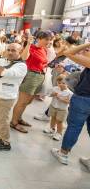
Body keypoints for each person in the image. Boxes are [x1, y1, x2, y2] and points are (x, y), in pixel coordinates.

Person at [51, 42, 90, 170]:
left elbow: (68, 52)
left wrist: (87, 43)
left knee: (74, 127)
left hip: (84, 98)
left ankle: (63, 154)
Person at [0, 43, 27, 150]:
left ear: (20, 52)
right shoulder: (3, 60)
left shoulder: (21, 66)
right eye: (9, 50)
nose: (10, 52)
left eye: (13, 50)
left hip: (5, 97)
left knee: (3, 119)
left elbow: (7, 73)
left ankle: (5, 142)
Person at [10, 31, 53, 133]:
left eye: (50, 39)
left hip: (40, 76)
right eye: (46, 39)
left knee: (28, 101)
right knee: (22, 101)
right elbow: (24, 58)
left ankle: (19, 118)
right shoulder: (32, 47)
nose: (49, 41)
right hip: (31, 76)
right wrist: (28, 44)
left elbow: (45, 62)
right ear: (39, 39)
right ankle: (14, 122)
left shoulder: (44, 49)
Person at [43, 75, 73, 141]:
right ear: (57, 83)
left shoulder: (70, 93)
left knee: (59, 121)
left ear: (68, 83)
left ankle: (59, 133)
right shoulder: (55, 88)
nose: (61, 85)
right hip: (53, 106)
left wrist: (62, 99)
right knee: (53, 118)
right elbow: (49, 95)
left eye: (63, 83)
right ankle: (52, 128)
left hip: (62, 109)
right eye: (59, 83)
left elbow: (69, 102)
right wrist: (53, 94)